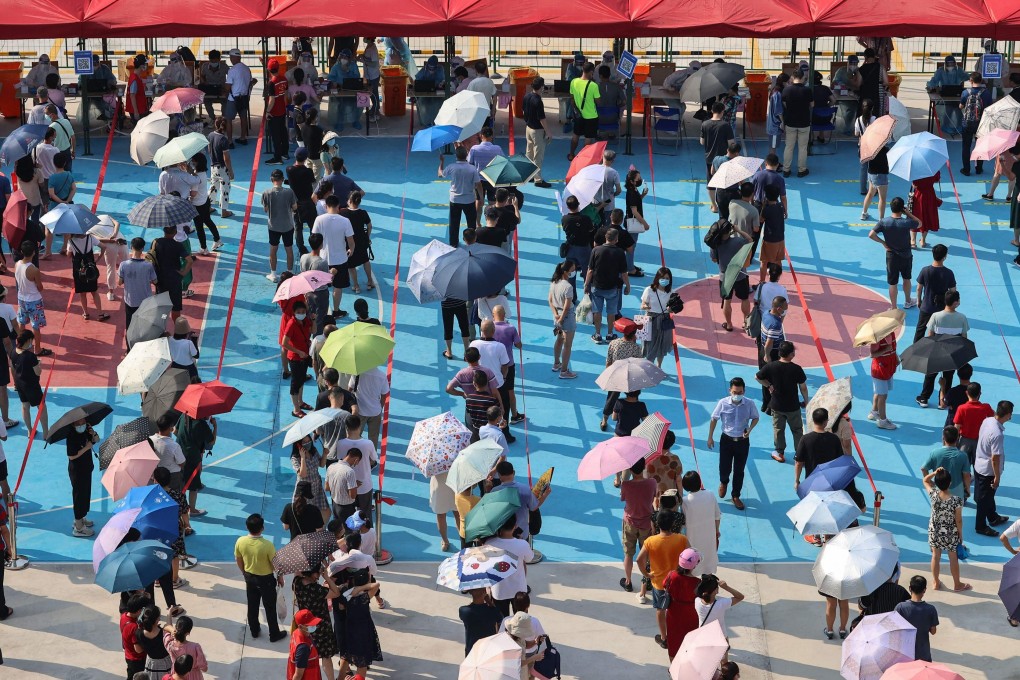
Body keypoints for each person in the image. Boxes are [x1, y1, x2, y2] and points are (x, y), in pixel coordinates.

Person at [636, 511, 689, 649]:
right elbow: (691, 556)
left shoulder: (650, 541)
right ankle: (679, 634)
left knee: (661, 609)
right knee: (676, 610)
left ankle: (664, 638)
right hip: (677, 581)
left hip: (659, 583)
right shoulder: (681, 539)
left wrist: (646, 574)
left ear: (657, 524)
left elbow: (639, 559)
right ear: (672, 524)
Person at [708, 378, 759, 511]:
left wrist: (750, 429)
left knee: (739, 469)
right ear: (730, 390)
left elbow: (755, 417)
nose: (737, 394)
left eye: (740, 392)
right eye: (735, 392)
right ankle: (724, 482)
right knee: (724, 466)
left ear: (744, 391)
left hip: (742, 441)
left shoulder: (749, 403)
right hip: (726, 440)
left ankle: (736, 495)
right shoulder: (723, 403)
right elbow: (714, 419)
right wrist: (710, 437)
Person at [234, 513, 286, 642]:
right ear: (262, 528)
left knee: (252, 605)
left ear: (247, 527)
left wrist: (244, 573)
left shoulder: (240, 541)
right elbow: (276, 565)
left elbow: (238, 559)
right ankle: (274, 634)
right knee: (270, 607)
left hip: (250, 578)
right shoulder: (267, 545)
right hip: (266, 580)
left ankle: (254, 630)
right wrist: (280, 577)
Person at [756, 341, 807, 463]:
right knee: (797, 430)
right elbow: (803, 387)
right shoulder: (797, 369)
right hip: (793, 406)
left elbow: (757, 377)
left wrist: (768, 385)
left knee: (778, 429)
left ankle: (779, 452)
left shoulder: (771, 366)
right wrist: (806, 401)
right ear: (791, 354)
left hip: (777, 406)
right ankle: (800, 454)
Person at [917, 290, 968, 409]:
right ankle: (943, 401)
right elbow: (964, 338)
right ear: (956, 302)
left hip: (936, 350)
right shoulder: (962, 318)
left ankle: (924, 398)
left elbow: (930, 335)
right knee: (948, 376)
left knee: (930, 375)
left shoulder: (936, 316)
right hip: (952, 351)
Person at [923, 467, 971, 592]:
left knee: (935, 556)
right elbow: (958, 520)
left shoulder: (933, 495)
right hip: (950, 533)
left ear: (937, 483)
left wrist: (934, 473)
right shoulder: (956, 500)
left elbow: (925, 480)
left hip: (935, 531)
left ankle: (935, 581)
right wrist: (960, 535)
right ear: (950, 483)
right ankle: (957, 584)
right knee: (953, 558)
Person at [869, 197, 920, 309]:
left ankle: (894, 307)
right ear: (902, 209)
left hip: (891, 256)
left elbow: (871, 234)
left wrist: (883, 243)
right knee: (906, 279)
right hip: (906, 255)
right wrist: (908, 213)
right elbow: (919, 223)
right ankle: (908, 301)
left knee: (893, 283)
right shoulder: (906, 222)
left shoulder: (884, 222)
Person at [483, 514, 535, 617]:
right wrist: (520, 541)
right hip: (518, 589)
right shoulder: (522, 544)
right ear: (515, 526)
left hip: (499, 590)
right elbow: (529, 558)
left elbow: (485, 566)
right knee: (521, 620)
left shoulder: (489, 543)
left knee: (502, 622)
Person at [584, 228, 630, 344]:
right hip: (612, 287)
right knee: (611, 312)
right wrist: (628, 286)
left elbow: (590, 270)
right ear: (616, 239)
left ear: (606, 237)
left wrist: (586, 284)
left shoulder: (596, 250)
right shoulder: (620, 252)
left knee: (597, 311)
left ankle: (598, 334)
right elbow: (624, 273)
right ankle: (610, 334)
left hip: (597, 286)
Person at [974, 401, 1013, 536]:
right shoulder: (998, 434)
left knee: (985, 495)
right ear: (1008, 414)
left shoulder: (988, 420)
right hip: (988, 471)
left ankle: (993, 517)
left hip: (979, 464)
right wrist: (997, 477)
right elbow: (995, 458)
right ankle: (980, 526)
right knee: (984, 499)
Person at [292, 572, 339, 680]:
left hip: (305, 625)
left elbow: (297, 574)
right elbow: (336, 593)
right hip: (321, 626)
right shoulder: (317, 589)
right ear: (314, 574)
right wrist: (326, 576)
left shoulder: (296, 582)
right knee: (326, 656)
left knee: (308, 655)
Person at [619, 458, 657, 593]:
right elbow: (653, 497)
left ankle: (628, 581)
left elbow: (622, 498)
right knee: (646, 555)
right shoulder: (652, 483)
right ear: (644, 467)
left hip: (630, 522)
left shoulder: (626, 485)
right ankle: (646, 580)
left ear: (630, 469)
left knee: (628, 554)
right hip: (646, 523)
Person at [598, 320, 644, 432]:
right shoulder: (636, 348)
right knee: (633, 398)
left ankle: (604, 421)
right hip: (630, 376)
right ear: (634, 334)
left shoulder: (614, 343)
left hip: (616, 375)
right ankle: (632, 420)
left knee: (611, 399)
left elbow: (608, 362)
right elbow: (638, 363)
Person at [490, 460, 550, 544]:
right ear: (513, 472)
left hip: (502, 534)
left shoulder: (494, 491)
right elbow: (534, 507)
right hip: (521, 533)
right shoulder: (525, 489)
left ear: (499, 475)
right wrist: (545, 495)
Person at [711, 221, 753, 332]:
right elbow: (750, 240)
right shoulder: (738, 241)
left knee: (727, 300)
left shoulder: (715, 244)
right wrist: (738, 230)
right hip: (740, 275)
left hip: (725, 277)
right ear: (730, 230)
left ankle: (729, 324)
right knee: (744, 299)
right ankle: (746, 322)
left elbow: (714, 259)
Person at [662, 548, 701, 659]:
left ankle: (673, 667)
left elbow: (664, 585)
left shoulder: (671, 575)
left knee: (673, 639)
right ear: (694, 566)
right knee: (690, 639)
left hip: (673, 612)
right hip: (691, 614)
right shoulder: (697, 583)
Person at [119, 237, 158, 348]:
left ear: (131, 247)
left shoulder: (123, 265)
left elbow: (120, 282)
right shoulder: (148, 265)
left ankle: (129, 349)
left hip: (130, 301)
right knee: (145, 327)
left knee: (130, 327)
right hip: (145, 301)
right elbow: (155, 281)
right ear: (142, 248)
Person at [695, 574, 745, 661]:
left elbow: (699, 592)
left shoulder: (697, 602)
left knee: (707, 663)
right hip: (720, 637)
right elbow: (740, 597)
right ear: (715, 591)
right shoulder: (721, 604)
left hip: (704, 637)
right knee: (724, 662)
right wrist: (726, 587)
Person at [335, 415, 379, 513]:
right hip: (365, 485)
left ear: (346, 427)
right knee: (365, 516)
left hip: (347, 485)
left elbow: (341, 460)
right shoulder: (368, 443)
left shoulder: (340, 443)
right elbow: (373, 460)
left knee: (349, 516)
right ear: (359, 426)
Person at [913, 244, 956, 344]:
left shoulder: (925, 270)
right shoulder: (949, 273)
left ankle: (915, 350)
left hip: (926, 306)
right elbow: (953, 291)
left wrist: (919, 301)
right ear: (945, 257)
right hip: (941, 308)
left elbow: (919, 288)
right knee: (940, 332)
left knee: (920, 330)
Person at [438, 147, 479, 248]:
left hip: (455, 199)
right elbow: (477, 184)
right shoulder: (472, 168)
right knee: (471, 223)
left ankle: (453, 243)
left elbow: (440, 174)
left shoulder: (451, 167)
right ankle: (472, 241)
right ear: (466, 156)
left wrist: (441, 162)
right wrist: (479, 196)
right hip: (469, 199)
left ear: (456, 156)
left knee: (454, 223)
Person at [151, 225, 193, 322]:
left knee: (163, 308)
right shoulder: (178, 245)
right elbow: (190, 261)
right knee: (176, 308)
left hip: (160, 279)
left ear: (164, 231)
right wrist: (183, 273)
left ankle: (162, 328)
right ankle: (178, 329)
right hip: (174, 280)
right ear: (175, 232)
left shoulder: (156, 242)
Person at [261, 168, 297, 282]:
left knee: (273, 249)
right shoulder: (289, 192)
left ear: (272, 179)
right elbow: (295, 207)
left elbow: (266, 209)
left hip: (273, 226)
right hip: (287, 225)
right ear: (282, 179)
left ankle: (273, 274)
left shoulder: (267, 193)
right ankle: (290, 273)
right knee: (289, 249)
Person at [893, 575, 940, 662]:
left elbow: (894, 629)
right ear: (924, 590)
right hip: (924, 655)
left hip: (905, 654)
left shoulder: (900, 607)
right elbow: (933, 631)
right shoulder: (931, 609)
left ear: (910, 588)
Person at [64, 416, 97, 537]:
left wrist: (92, 434)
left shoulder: (86, 430)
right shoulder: (71, 436)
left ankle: (81, 518)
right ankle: (78, 527)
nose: (81, 424)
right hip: (77, 471)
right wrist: (87, 448)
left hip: (87, 467)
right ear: (73, 424)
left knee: (85, 494)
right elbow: (71, 456)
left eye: (83, 421)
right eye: (78, 422)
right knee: (79, 496)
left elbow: (95, 440)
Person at [67, 229, 109, 321]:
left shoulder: (71, 241)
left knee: (82, 293)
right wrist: (99, 258)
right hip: (90, 268)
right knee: (94, 291)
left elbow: (68, 255)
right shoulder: (90, 238)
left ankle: (86, 313)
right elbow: (103, 246)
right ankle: (100, 314)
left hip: (78, 270)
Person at [12, 330, 47, 437]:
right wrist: (38, 364)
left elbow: (13, 369)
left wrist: (15, 383)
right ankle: (46, 433)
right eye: (32, 340)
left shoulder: (13, 352)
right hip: (31, 385)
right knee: (41, 407)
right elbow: (38, 372)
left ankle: (30, 430)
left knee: (25, 407)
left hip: (19, 384)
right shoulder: (30, 356)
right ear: (28, 340)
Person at [547, 260, 578, 379]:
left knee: (559, 339)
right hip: (567, 316)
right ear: (566, 271)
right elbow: (567, 306)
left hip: (557, 314)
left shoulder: (554, 283)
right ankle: (564, 371)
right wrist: (562, 319)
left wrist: (556, 315)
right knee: (567, 345)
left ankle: (556, 364)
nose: (574, 271)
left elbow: (550, 300)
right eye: (572, 269)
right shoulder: (568, 287)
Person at [339, 189, 374, 292]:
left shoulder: (343, 212)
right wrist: (367, 237)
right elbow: (369, 226)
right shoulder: (363, 213)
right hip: (362, 241)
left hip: (349, 242)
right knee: (365, 260)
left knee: (351, 265)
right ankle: (369, 282)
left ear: (350, 200)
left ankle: (356, 286)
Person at [639, 267, 675, 367]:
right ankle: (649, 366)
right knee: (649, 345)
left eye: (667, 278)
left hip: (664, 319)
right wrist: (646, 306)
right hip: (650, 319)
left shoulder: (671, 292)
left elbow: (672, 309)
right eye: (663, 277)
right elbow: (642, 305)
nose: (665, 280)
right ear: (658, 278)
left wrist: (671, 309)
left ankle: (659, 367)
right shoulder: (649, 290)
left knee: (662, 345)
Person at [960, 73, 994, 176]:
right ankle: (979, 168)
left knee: (966, 147)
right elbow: (989, 108)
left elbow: (961, 106)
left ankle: (966, 170)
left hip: (967, 123)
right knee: (980, 146)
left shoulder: (965, 92)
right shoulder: (986, 93)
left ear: (970, 80)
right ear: (981, 80)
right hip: (981, 124)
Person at [781, 70, 813, 177]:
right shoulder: (807, 90)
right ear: (803, 77)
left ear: (792, 77)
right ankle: (801, 170)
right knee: (802, 147)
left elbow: (784, 104)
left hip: (790, 122)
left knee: (789, 147)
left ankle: (786, 169)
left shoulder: (786, 90)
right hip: (804, 122)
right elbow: (812, 104)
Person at [953, 382, 994, 466]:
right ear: (980, 393)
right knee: (979, 463)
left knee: (963, 463)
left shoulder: (962, 408)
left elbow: (957, 426)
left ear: (967, 393)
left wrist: (954, 442)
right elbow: (995, 417)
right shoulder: (986, 407)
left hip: (964, 441)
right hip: (979, 441)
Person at [568, 62, 600, 160]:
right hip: (591, 116)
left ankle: (571, 154)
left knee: (575, 136)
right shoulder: (594, 85)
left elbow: (572, 98)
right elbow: (598, 102)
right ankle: (583, 158)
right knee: (588, 138)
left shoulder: (573, 82)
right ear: (591, 72)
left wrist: (576, 109)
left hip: (578, 115)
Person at [523, 78, 552, 188]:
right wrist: (548, 132)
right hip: (537, 131)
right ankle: (538, 179)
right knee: (538, 155)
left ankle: (529, 175)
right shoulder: (538, 101)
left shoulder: (526, 96)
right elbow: (542, 119)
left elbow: (523, 111)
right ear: (541, 87)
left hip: (528, 128)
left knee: (529, 153)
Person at [926, 55, 966, 133]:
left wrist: (975, 78)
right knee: (950, 108)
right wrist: (930, 86)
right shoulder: (940, 71)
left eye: (952, 64)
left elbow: (967, 76)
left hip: (956, 94)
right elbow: (934, 81)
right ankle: (945, 126)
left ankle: (959, 126)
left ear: (955, 64)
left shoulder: (959, 70)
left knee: (958, 109)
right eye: (949, 64)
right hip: (944, 95)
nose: (950, 66)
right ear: (945, 64)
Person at [460, 586, 503, 656]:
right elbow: (500, 618)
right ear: (485, 592)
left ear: (470, 592)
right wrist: (489, 602)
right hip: (488, 648)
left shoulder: (463, 610)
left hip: (471, 649)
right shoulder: (493, 611)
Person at [263, 59, 290, 165]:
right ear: (278, 68)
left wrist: (267, 111)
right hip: (282, 109)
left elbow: (272, 100)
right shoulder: (284, 79)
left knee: (275, 135)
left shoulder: (271, 83)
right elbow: (286, 95)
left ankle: (277, 157)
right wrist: (285, 106)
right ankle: (285, 153)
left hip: (274, 112)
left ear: (269, 70)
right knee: (283, 131)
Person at [224, 49, 253, 146]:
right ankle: (243, 137)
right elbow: (251, 82)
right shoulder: (247, 69)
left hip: (233, 98)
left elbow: (228, 87)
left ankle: (230, 141)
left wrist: (224, 93)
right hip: (244, 97)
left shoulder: (232, 70)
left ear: (232, 57)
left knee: (228, 120)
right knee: (243, 118)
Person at [136, 606, 173, 679]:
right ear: (157, 620)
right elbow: (169, 627)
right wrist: (169, 613)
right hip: (165, 663)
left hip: (151, 664)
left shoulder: (139, 633)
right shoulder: (163, 634)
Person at [758, 184, 786, 282]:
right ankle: (777, 280)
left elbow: (761, 220)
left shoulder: (767, 209)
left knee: (764, 261)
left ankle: (762, 282)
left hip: (770, 240)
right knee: (778, 260)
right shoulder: (780, 206)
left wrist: (763, 206)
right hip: (780, 238)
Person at [700, 102, 735, 181]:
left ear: (712, 111)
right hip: (723, 159)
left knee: (710, 182)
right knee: (723, 181)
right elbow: (731, 144)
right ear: (722, 111)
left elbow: (702, 142)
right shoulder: (726, 125)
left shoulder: (704, 124)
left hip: (709, 157)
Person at [287, 608, 325, 680]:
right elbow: (298, 675)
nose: (314, 625)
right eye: (309, 625)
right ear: (300, 626)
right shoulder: (303, 648)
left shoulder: (296, 633)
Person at [910, 173, 942, 249]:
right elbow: (937, 180)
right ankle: (923, 240)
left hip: (919, 196)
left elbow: (915, 185)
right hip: (930, 195)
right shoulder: (934, 169)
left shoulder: (917, 170)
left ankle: (913, 241)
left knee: (915, 216)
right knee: (927, 216)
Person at [121, 593, 148, 678]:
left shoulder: (124, 616)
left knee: (130, 676)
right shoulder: (134, 627)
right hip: (137, 660)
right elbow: (138, 650)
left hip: (128, 655)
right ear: (139, 611)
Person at [766, 73, 789, 157]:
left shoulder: (775, 91)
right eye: (788, 82)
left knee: (773, 145)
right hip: (775, 125)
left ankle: (773, 162)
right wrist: (782, 122)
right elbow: (778, 110)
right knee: (773, 146)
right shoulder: (778, 94)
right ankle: (771, 163)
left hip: (773, 124)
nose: (789, 84)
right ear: (784, 83)